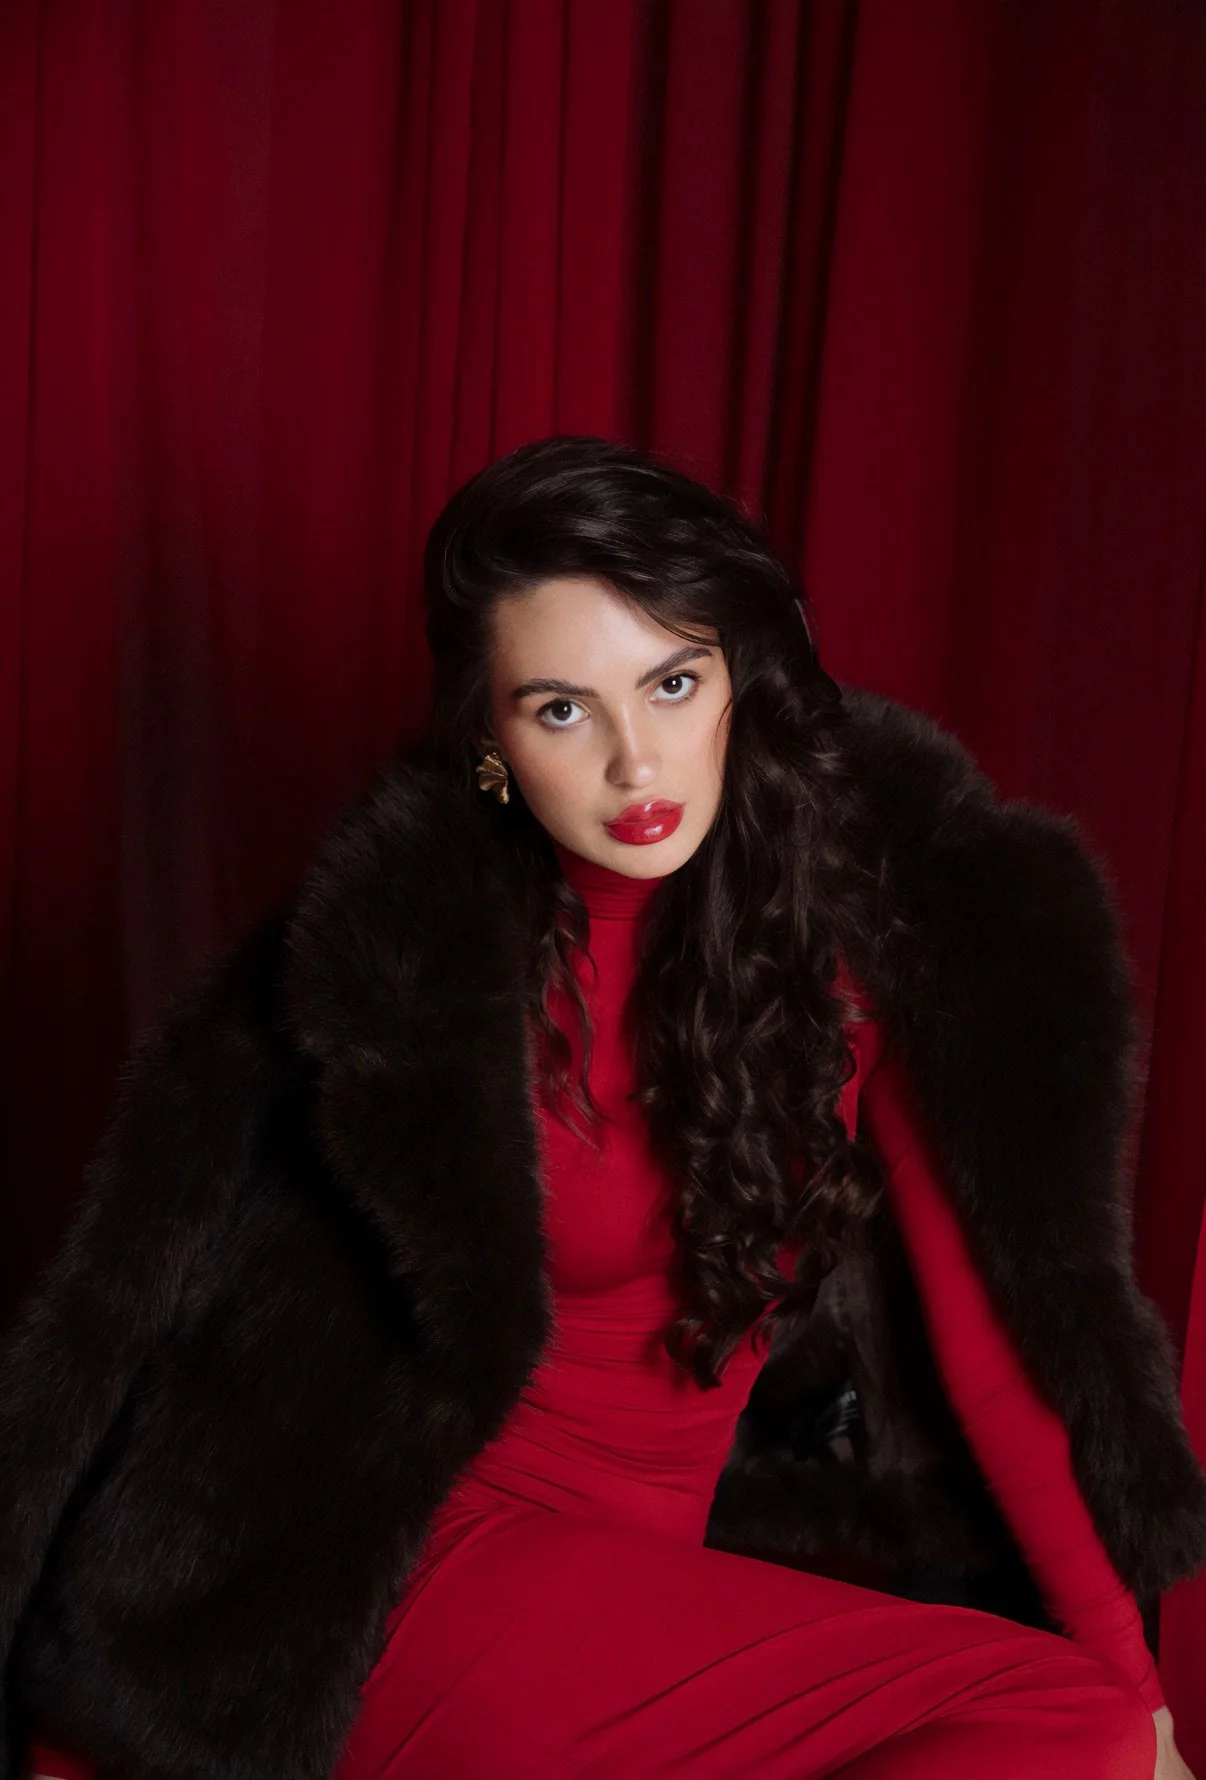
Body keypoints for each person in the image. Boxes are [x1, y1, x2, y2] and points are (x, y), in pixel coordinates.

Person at [4, 436, 1204, 1780]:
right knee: (1064, 1728)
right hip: (405, 1579)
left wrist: (1139, 1694)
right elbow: (175, 1332)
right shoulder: (420, 987)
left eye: (672, 682)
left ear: (741, 678)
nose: (638, 762)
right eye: (562, 710)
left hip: (639, 1595)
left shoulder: (853, 945)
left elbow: (998, 1347)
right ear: (491, 744)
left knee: (1087, 1731)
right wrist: (77, 1749)